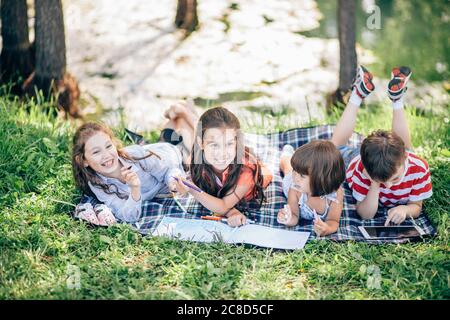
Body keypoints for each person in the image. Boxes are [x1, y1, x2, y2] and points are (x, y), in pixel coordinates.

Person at [332, 65, 432, 225]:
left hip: (390, 159)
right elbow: (365, 215)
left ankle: (388, 98)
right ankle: (359, 95)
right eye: (382, 182)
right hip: (360, 160)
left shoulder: (418, 169)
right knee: (334, 151)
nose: (388, 185)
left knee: (404, 147)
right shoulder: (360, 170)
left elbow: (416, 206)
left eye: (395, 179)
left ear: (406, 159)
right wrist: (374, 183)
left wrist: (405, 210)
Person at [72, 122, 186, 223]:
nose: (106, 155)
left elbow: (169, 168)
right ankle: (174, 117)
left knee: (193, 145)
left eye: (108, 146)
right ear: (83, 161)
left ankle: (181, 112)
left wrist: (173, 180)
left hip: (172, 155)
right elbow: (128, 215)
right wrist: (134, 189)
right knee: (170, 131)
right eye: (96, 152)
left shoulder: (137, 156)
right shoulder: (98, 185)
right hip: (152, 153)